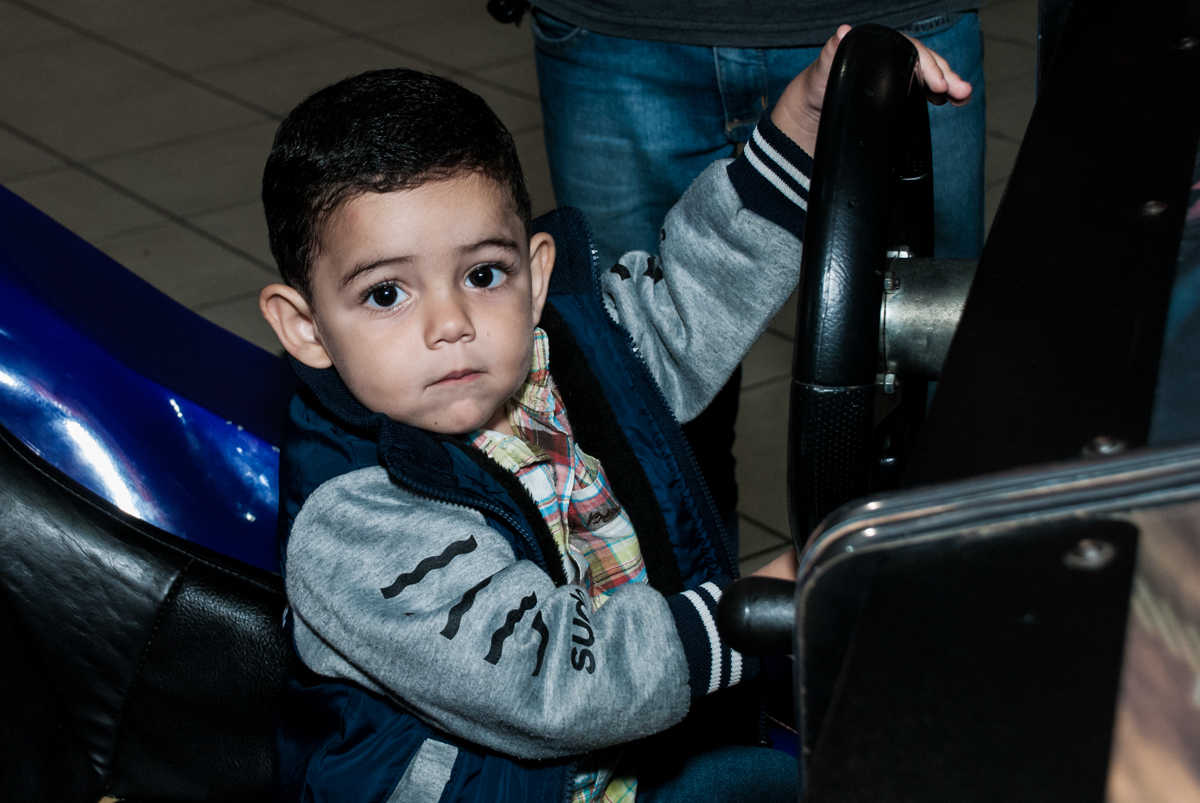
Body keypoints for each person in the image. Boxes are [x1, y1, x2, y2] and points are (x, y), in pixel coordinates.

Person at [257, 27, 970, 803]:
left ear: (534, 275)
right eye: (387, 293)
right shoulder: (357, 521)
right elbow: (557, 684)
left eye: (483, 273)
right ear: (304, 326)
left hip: (636, 756)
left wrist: (802, 124)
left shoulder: (556, 357)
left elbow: (689, 299)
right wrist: (758, 605)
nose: (451, 323)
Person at [527, 4, 987, 532]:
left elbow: (672, 327)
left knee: (938, 429)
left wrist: (796, 124)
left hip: (896, 15)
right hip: (616, 28)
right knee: (642, 439)